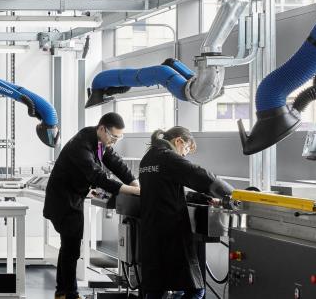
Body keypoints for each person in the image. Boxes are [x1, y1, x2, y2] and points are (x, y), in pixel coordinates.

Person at [43, 112, 140, 299]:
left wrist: (135, 182)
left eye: (119, 138)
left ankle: (62, 292)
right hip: (64, 202)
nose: (115, 141)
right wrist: (132, 191)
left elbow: (116, 163)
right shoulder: (81, 145)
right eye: (113, 137)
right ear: (102, 128)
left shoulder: (100, 141)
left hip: (72, 199)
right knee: (71, 248)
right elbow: (98, 176)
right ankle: (69, 293)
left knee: (68, 247)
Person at [137, 126, 233, 299]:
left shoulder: (148, 158)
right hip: (171, 234)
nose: (184, 155)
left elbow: (168, 189)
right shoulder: (168, 157)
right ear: (179, 141)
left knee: (155, 289)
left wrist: (202, 198)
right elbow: (198, 175)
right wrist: (233, 195)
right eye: (186, 149)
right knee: (196, 290)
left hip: (151, 234)